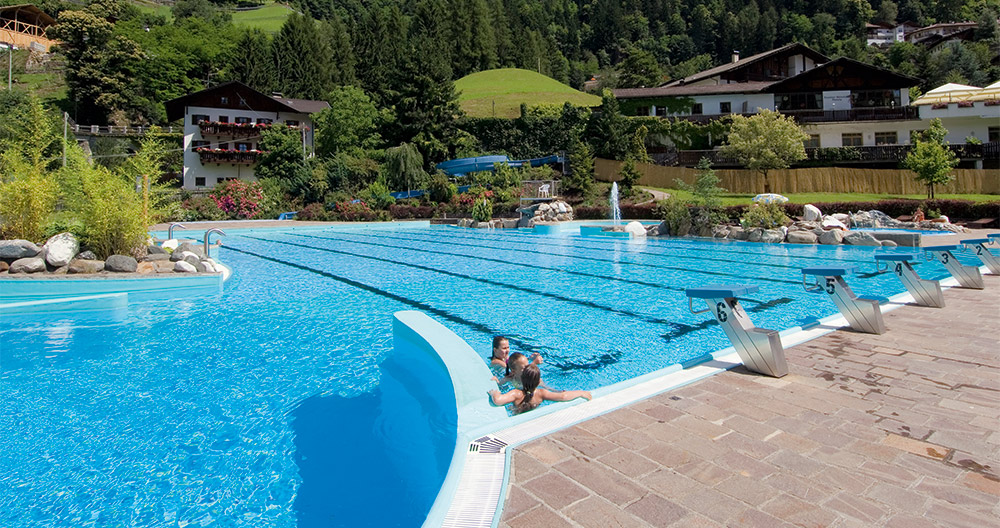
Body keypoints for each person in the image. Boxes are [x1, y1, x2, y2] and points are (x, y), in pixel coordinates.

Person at [489, 365, 592, 415]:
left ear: (522, 379)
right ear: (538, 382)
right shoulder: (541, 393)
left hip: (516, 416)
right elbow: (563, 396)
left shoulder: (516, 394)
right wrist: (581, 393)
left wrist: (494, 393)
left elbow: (498, 401)